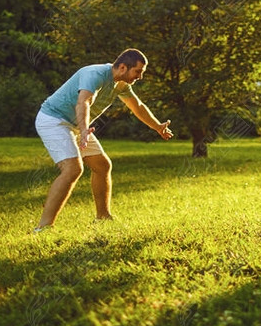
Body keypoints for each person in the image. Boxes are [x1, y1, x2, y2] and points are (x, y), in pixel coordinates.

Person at [32, 48, 173, 230]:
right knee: (73, 169)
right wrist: (83, 130)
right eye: (138, 72)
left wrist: (157, 127)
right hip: (54, 120)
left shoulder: (121, 84)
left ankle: (103, 218)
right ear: (123, 67)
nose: (140, 77)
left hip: (76, 125)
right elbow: (83, 102)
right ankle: (43, 227)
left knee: (102, 165)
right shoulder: (95, 74)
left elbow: (136, 105)